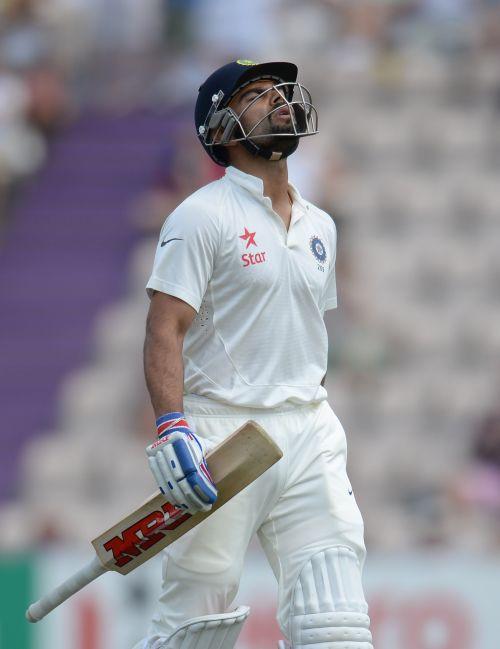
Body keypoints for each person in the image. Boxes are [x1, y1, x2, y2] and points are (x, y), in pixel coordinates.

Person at [135, 60, 373, 649]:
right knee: (195, 626)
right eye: (256, 95)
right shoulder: (199, 217)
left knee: (334, 622)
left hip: (309, 428)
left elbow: (304, 331)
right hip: (224, 435)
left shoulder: (321, 224)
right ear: (219, 129)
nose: (279, 100)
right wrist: (172, 427)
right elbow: (165, 328)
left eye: (279, 91)